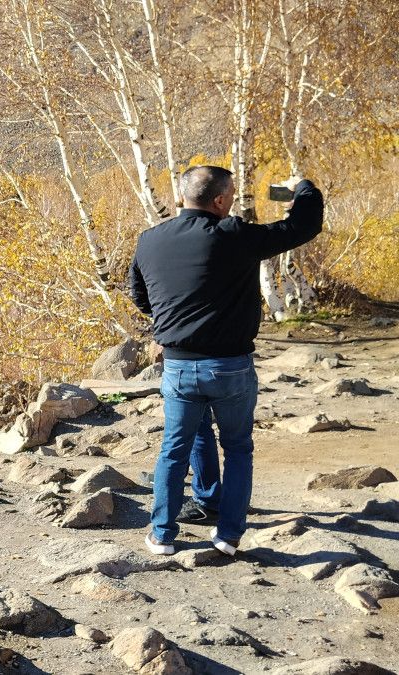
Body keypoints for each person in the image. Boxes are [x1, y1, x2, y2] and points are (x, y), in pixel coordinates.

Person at [129, 166, 324, 556]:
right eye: (232, 193)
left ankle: (163, 535)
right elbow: (302, 226)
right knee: (236, 448)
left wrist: (174, 318)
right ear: (219, 200)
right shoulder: (234, 235)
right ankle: (227, 535)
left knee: (174, 447)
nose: (234, 199)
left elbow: (138, 293)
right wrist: (302, 188)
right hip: (230, 367)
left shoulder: (150, 240)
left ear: (184, 195)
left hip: (179, 366)